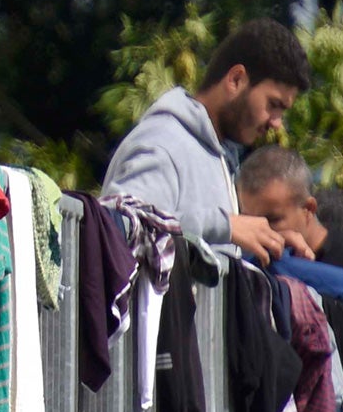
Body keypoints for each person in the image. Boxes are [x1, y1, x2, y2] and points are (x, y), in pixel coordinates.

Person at [100, 17, 313, 263]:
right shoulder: (164, 142)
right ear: (236, 80)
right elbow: (123, 225)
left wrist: (265, 244)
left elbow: (198, 255)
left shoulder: (219, 156)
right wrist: (226, 227)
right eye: (273, 104)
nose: (277, 122)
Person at [236, 149, 343, 287]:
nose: (260, 229)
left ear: (308, 209)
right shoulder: (249, 264)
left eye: (272, 220)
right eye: (249, 220)